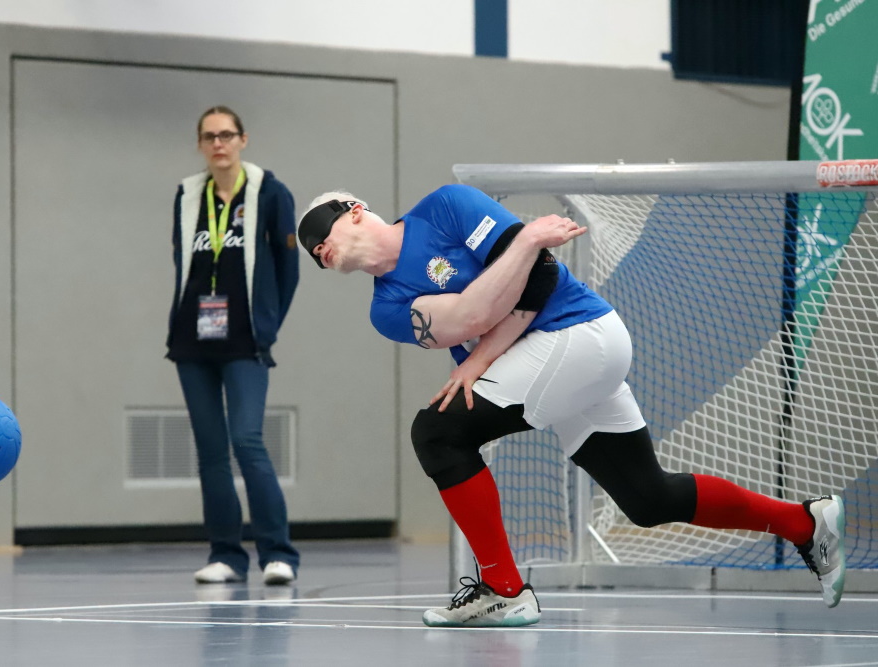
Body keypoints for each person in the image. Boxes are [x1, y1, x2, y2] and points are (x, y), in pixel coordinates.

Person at [296, 185, 847, 627]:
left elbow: (543, 275)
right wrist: (524, 243)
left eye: (317, 233)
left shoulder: (446, 206)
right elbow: (468, 315)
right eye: (312, 254)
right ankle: (805, 523)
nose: (317, 251)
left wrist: (489, 333)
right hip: (561, 356)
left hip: (578, 333)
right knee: (647, 498)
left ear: (354, 210)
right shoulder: (387, 308)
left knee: (437, 433)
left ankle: (503, 590)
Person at [167, 106, 300, 586]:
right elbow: (185, 261)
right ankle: (226, 554)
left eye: (227, 135)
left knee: (247, 439)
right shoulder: (186, 195)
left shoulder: (270, 193)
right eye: (209, 136)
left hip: (247, 341)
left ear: (243, 140)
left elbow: (289, 271)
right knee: (210, 451)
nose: (218, 143)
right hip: (192, 340)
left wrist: (267, 326)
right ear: (200, 144)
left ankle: (278, 553)